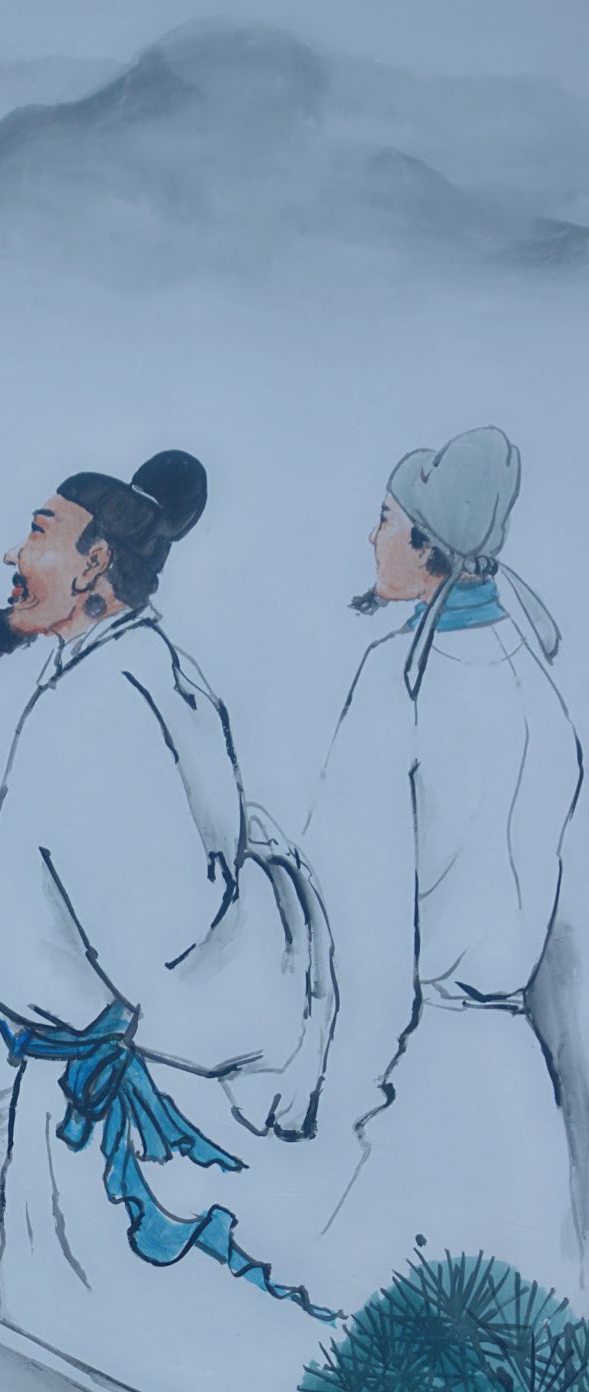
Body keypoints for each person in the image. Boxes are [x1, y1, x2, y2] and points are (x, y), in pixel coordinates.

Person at [0, 450, 337, 1392]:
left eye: (38, 534)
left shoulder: (104, 708)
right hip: (96, 1093)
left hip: (98, 1124)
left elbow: (167, 952)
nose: (13, 555)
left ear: (95, 566)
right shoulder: (136, 672)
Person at [306, 425, 586, 1304]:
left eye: (386, 518)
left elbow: (357, 922)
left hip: (413, 1080)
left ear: (428, 546)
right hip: (518, 1096)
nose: (372, 536)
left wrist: (337, 1106)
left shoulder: (400, 681)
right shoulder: (540, 691)